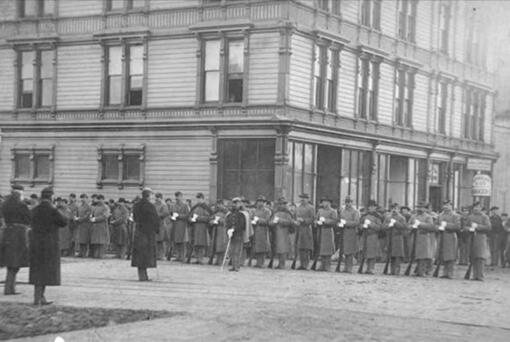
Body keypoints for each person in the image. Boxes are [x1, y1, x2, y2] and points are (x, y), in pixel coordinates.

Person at [29, 187, 68, 305]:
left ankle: (39, 297)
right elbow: (64, 222)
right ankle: (39, 298)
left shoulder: (34, 210)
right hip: (49, 244)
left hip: (36, 243)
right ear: (51, 197)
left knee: (37, 270)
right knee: (46, 271)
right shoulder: (53, 210)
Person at [0, 184, 30, 295]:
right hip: (18, 234)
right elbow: (28, 219)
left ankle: (9, 287)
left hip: (7, 232)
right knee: (16, 262)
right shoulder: (22, 204)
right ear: (20, 193)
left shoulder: (5, 203)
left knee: (10, 261)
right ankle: (9, 288)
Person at [132, 188, 160, 281]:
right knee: (146, 254)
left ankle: (141, 275)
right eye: (151, 195)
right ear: (148, 196)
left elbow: (135, 218)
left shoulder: (136, 206)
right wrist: (156, 229)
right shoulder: (150, 206)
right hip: (148, 232)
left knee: (139, 254)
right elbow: (155, 219)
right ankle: (144, 276)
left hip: (139, 231)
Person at [466, 201, 491, 281]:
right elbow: (465, 227)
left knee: (480, 257)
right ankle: (474, 275)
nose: (476, 209)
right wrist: (469, 229)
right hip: (472, 238)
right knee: (473, 257)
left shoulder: (485, 217)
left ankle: (480, 275)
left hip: (481, 238)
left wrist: (477, 226)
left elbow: (488, 227)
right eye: (475, 207)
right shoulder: (470, 217)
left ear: (481, 208)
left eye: (478, 207)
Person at [410, 202, 436, 277]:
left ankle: (423, 271)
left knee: (424, 256)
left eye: (421, 207)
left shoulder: (428, 217)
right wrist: (412, 226)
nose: (419, 209)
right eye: (418, 207)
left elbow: (431, 226)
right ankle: (418, 270)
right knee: (416, 255)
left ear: (425, 209)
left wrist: (420, 224)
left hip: (424, 237)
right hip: (415, 237)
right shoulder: (413, 216)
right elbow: (408, 225)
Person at [436, 200, 461, 279]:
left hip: (451, 236)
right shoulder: (440, 215)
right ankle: (445, 272)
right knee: (443, 255)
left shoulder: (455, 216)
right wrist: (438, 228)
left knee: (451, 255)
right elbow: (435, 224)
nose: (446, 207)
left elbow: (457, 226)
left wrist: (447, 225)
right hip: (442, 235)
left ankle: (450, 273)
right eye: (444, 205)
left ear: (451, 206)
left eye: (447, 205)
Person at [269, 197, 295, 269]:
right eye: (280, 204)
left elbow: (290, 222)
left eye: (283, 204)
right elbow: (270, 222)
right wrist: (273, 222)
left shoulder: (288, 213)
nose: (281, 205)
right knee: (277, 248)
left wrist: (280, 221)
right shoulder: (275, 213)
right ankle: (278, 263)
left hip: (284, 233)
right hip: (276, 232)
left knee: (283, 249)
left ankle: (282, 264)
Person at [382, 203, 407, 275]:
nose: (394, 210)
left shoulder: (402, 218)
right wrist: (388, 225)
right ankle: (392, 270)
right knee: (391, 255)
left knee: (397, 255)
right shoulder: (388, 218)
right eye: (393, 208)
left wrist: (396, 223)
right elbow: (383, 227)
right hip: (390, 238)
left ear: (399, 209)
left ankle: (397, 270)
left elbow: (404, 227)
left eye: (396, 208)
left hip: (398, 238)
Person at [188, 193, 213, 264]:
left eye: (199, 198)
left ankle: (201, 258)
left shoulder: (206, 207)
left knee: (201, 244)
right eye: (197, 198)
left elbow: (210, 217)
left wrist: (198, 218)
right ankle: (197, 258)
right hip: (195, 228)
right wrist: (190, 219)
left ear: (203, 198)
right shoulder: (195, 207)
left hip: (203, 228)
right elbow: (189, 215)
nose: (198, 200)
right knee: (195, 243)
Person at [360, 200, 382, 274]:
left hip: (373, 236)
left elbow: (379, 227)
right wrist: (363, 226)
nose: (371, 208)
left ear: (375, 208)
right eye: (370, 206)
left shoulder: (378, 216)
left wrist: (371, 224)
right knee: (365, 252)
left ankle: (371, 268)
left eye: (373, 206)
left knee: (372, 253)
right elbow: (360, 224)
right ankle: (366, 268)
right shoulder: (364, 216)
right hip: (365, 235)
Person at [315, 198, 337, 272]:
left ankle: (327, 265)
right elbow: (315, 218)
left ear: (329, 203)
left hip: (328, 231)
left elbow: (335, 221)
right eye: (323, 202)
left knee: (328, 249)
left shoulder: (333, 211)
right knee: (321, 248)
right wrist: (317, 222)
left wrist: (325, 221)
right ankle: (322, 265)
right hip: (321, 230)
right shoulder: (320, 211)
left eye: (325, 202)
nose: (324, 204)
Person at [339, 196, 360, 273]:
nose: (348, 204)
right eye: (347, 202)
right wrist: (340, 224)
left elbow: (356, 222)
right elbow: (340, 219)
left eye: (349, 202)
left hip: (351, 232)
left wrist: (346, 223)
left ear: (352, 202)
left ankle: (349, 267)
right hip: (344, 232)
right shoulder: (343, 211)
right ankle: (345, 267)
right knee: (345, 250)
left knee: (350, 251)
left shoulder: (355, 212)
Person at [225, 197, 246, 272]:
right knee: (232, 251)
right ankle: (233, 265)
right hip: (232, 235)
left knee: (237, 251)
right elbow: (227, 222)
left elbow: (242, 225)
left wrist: (234, 229)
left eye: (236, 203)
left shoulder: (242, 214)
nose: (235, 205)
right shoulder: (230, 214)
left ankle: (237, 266)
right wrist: (228, 230)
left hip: (238, 235)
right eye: (234, 203)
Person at [251, 196, 272, 268]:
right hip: (256, 230)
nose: (260, 203)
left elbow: (268, 221)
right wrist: (253, 221)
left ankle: (261, 262)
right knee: (257, 246)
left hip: (263, 230)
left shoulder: (267, 211)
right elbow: (252, 218)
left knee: (263, 247)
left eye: (261, 202)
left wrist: (259, 220)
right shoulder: (255, 211)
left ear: (264, 203)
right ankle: (258, 262)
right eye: (259, 201)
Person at [295, 193, 314, 270]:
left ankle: (306, 264)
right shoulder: (298, 207)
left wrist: (304, 220)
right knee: (300, 247)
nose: (302, 199)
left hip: (307, 229)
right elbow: (295, 216)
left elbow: (312, 218)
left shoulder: (310, 208)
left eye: (304, 198)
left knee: (306, 247)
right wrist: (296, 221)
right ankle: (302, 264)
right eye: (301, 198)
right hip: (300, 229)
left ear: (308, 199)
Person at [170, 191, 190, 262]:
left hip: (182, 226)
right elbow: (171, 213)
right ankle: (177, 256)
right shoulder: (173, 205)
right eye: (176, 197)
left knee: (182, 242)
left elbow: (188, 215)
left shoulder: (185, 206)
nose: (177, 198)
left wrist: (179, 215)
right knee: (176, 241)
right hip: (175, 225)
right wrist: (172, 217)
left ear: (181, 197)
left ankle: (183, 256)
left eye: (178, 197)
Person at [209, 199, 229, 265]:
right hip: (215, 230)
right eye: (218, 204)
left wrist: (220, 220)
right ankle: (215, 260)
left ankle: (220, 260)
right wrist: (212, 221)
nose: (219, 206)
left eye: (220, 204)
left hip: (222, 230)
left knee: (221, 246)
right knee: (215, 245)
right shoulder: (215, 212)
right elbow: (210, 219)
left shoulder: (226, 212)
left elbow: (228, 221)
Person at [90, 194, 110, 258]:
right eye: (98, 199)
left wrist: (96, 219)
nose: (99, 201)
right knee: (96, 241)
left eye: (101, 199)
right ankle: (96, 254)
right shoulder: (96, 207)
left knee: (102, 241)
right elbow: (92, 214)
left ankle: (101, 254)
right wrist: (91, 217)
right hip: (95, 226)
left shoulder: (106, 207)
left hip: (102, 226)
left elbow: (105, 216)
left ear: (103, 200)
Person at [154, 193, 171, 260]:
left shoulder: (164, 205)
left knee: (161, 240)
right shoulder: (154, 205)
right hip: (155, 224)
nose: (157, 199)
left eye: (158, 197)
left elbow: (166, 213)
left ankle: (161, 255)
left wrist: (157, 215)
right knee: (156, 241)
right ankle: (156, 255)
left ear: (161, 198)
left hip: (161, 224)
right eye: (156, 197)